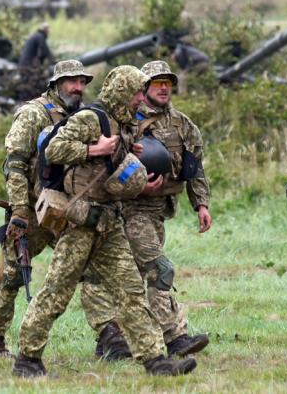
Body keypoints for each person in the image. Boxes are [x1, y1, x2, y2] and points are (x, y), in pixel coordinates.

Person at [12, 65, 198, 377]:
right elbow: (53, 149)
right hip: (80, 223)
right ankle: (27, 360)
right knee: (56, 292)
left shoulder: (123, 123)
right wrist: (92, 148)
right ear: (124, 92)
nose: (142, 98)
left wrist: (126, 151)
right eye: (138, 91)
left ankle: (155, 360)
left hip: (110, 223)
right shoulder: (90, 118)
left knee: (131, 294)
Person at [0, 59, 127, 360]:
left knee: (90, 270)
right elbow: (15, 164)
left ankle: (109, 337)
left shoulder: (89, 116)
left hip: (73, 209)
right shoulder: (33, 113)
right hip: (35, 210)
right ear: (56, 84)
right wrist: (20, 210)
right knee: (11, 274)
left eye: (82, 81)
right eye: (71, 81)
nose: (78, 87)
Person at [99, 60, 212, 358]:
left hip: (159, 210)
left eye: (168, 83)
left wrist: (201, 204)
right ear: (143, 87)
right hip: (130, 209)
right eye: (156, 83)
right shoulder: (127, 121)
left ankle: (112, 341)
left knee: (135, 277)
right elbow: (109, 165)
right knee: (160, 269)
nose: (163, 88)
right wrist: (136, 185)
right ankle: (175, 337)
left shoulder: (183, 125)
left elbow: (194, 168)